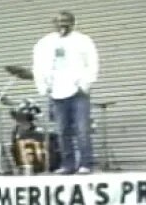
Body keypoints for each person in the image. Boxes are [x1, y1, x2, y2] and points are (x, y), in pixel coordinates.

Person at [32, 11, 99, 174]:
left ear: (73, 23)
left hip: (77, 91)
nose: (63, 24)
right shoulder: (45, 42)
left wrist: (86, 83)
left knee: (82, 129)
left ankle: (86, 163)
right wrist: (43, 86)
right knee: (62, 131)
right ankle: (68, 165)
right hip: (57, 91)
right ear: (54, 23)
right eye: (60, 21)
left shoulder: (83, 40)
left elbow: (93, 62)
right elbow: (38, 66)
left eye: (67, 21)